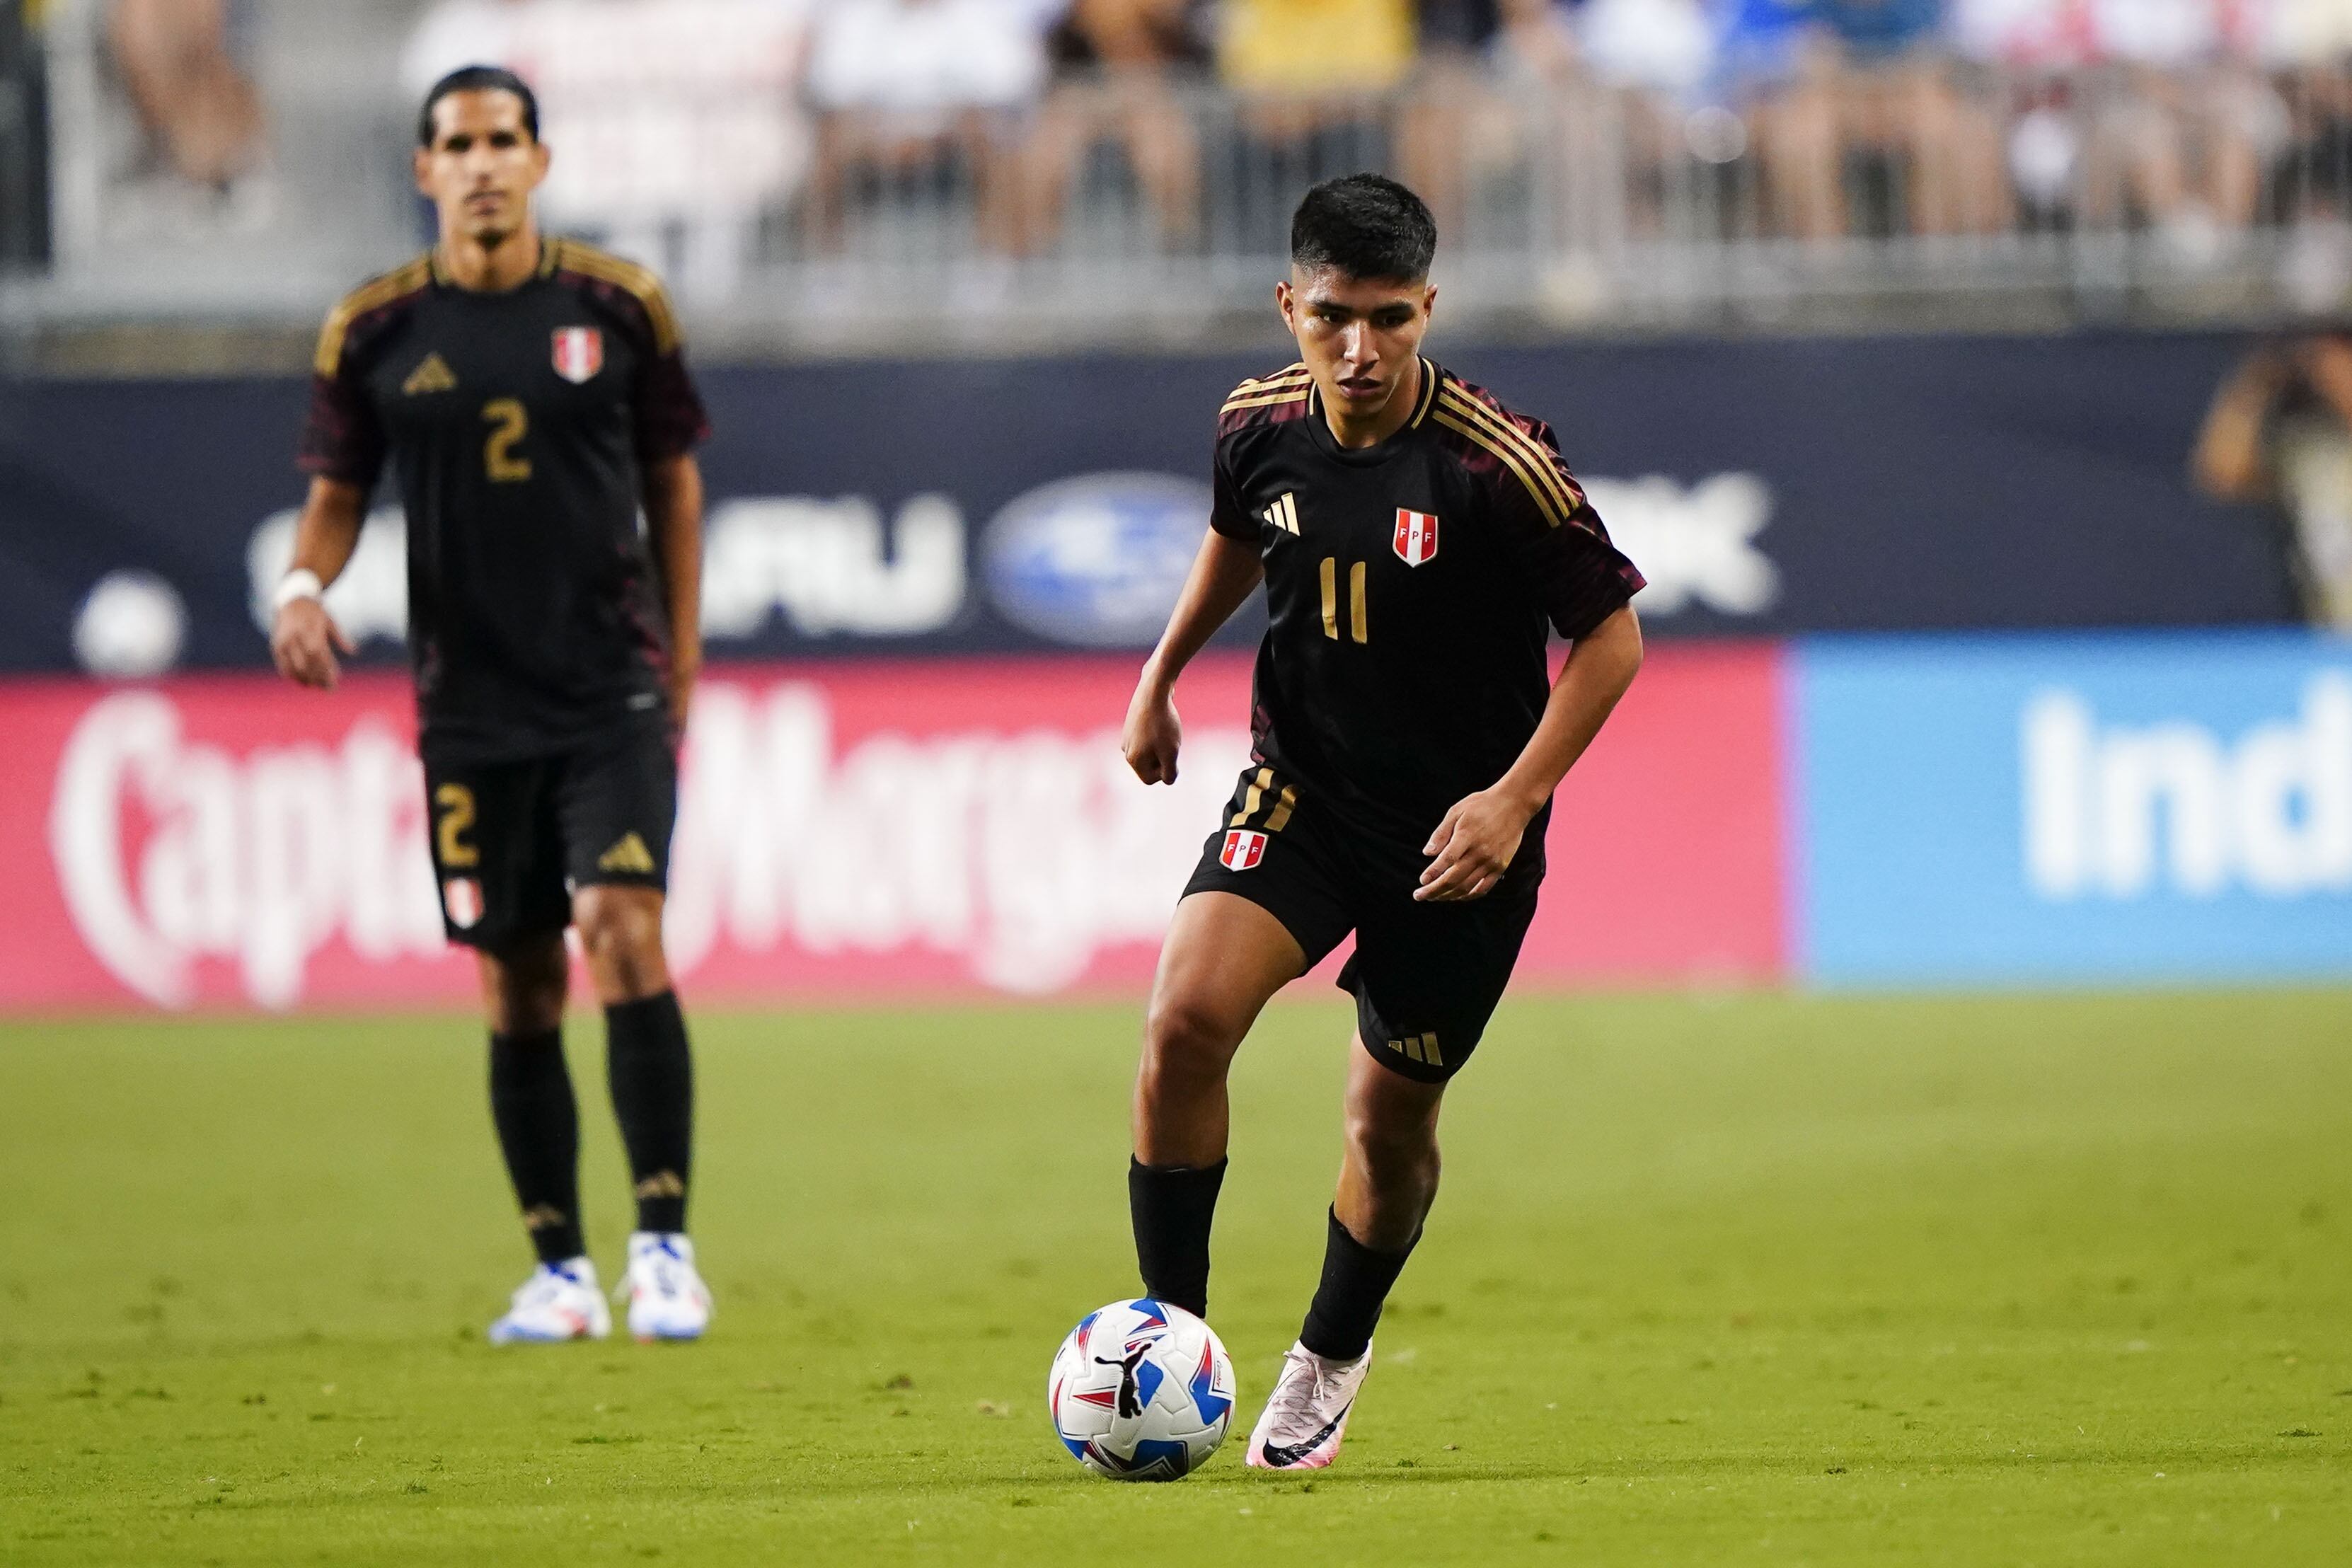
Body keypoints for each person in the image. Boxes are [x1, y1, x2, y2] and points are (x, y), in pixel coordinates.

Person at [1118, 174, 1646, 1470]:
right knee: (1183, 1020)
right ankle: (1170, 1350)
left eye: (1391, 321)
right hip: (1299, 787)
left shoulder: (1493, 461)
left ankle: (1329, 1353)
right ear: (1287, 303)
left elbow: (1610, 637)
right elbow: (1238, 536)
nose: (1359, 352)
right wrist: (1160, 672)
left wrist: (1512, 800)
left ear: (1429, 308)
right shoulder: (1253, 423)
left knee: (1384, 1121)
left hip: (1454, 839)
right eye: (1333, 318)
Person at [270, 66, 715, 1344]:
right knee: (517, 984)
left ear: (539, 159)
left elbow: (671, 485)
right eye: (455, 144)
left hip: (609, 690)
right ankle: (559, 1270)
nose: (479, 163)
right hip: (468, 708)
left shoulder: (618, 308)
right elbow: (339, 489)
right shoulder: (371, 330)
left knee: (620, 925)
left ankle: (664, 1248)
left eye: (500, 140)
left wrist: (678, 661)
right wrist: (305, 584)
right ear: (424, 172)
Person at [2195, 333, 2352, 629]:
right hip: (2329, 633)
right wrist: (2258, 385)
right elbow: (2222, 474)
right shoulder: (2303, 447)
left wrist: (2334, 369)